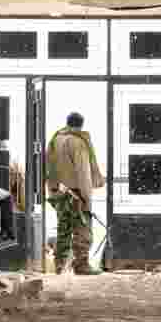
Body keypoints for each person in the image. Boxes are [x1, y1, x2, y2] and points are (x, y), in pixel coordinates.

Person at [46, 112, 105, 275]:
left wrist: (52, 190)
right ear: (81, 125)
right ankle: (81, 265)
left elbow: (48, 168)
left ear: (67, 123)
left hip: (59, 192)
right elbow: (83, 172)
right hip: (76, 194)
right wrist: (86, 198)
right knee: (83, 229)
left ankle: (60, 266)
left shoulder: (55, 139)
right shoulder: (79, 142)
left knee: (63, 229)